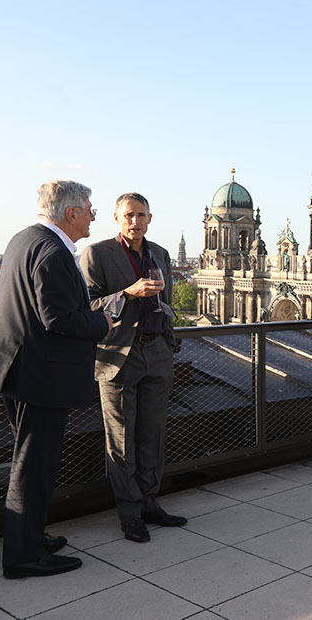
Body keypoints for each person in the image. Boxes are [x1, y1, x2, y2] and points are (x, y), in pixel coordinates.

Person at [0, 180, 111, 579]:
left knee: (32, 462)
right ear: (71, 213)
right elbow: (58, 318)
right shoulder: (54, 251)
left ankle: (32, 537)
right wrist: (103, 323)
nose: (93, 217)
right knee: (33, 467)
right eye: (89, 210)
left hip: (19, 370)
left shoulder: (25, 239)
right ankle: (24, 556)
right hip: (41, 378)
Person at [81, 193, 186, 543]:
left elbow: (166, 301)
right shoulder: (97, 253)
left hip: (157, 352)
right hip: (119, 356)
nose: (135, 221)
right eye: (128, 215)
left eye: (141, 215)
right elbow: (88, 307)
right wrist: (128, 293)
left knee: (153, 435)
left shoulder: (160, 253)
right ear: (116, 218)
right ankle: (130, 514)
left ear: (150, 219)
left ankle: (150, 503)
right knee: (121, 441)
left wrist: (168, 341)